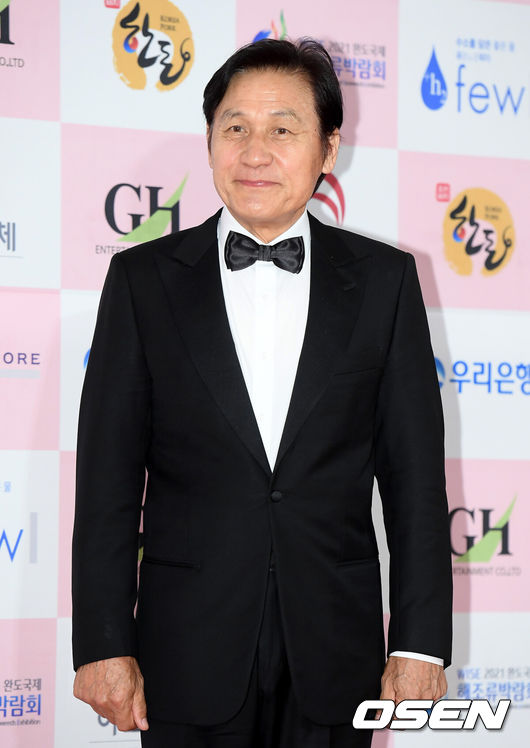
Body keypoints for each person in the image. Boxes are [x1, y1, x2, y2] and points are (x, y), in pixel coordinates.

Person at [72, 38, 452, 747]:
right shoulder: (142, 281)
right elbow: (106, 483)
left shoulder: (385, 282)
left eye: (283, 129)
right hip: (185, 648)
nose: (255, 152)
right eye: (235, 128)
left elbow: (415, 482)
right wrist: (101, 642)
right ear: (210, 141)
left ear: (328, 148)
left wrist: (420, 643)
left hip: (335, 648)